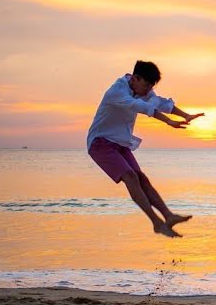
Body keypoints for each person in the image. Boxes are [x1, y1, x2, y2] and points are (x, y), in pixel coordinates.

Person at [87, 61, 204, 238]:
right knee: (130, 177)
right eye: (146, 85)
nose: (148, 90)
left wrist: (185, 115)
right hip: (100, 143)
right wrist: (168, 121)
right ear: (135, 78)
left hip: (120, 143)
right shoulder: (116, 92)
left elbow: (160, 103)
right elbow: (141, 107)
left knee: (142, 179)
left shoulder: (142, 89)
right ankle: (156, 223)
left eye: (151, 86)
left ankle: (168, 216)